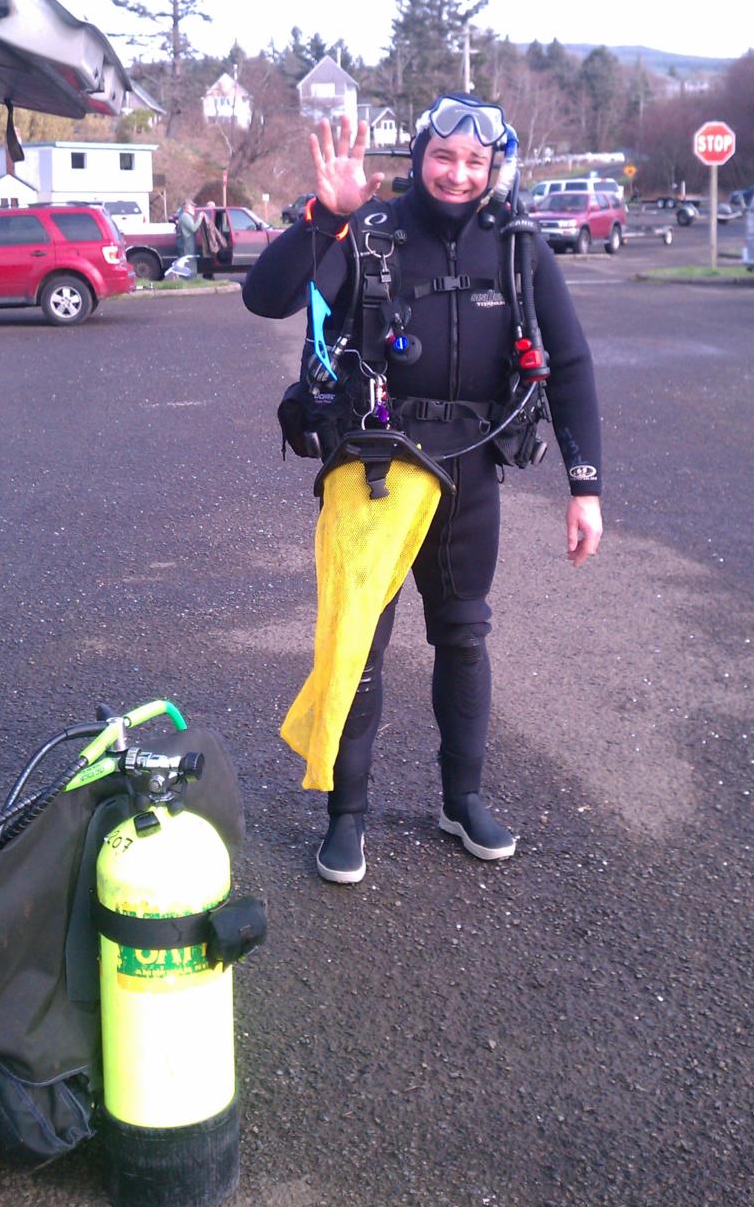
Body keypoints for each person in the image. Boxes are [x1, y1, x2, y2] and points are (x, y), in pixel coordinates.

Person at [243, 97, 603, 884]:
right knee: (359, 640)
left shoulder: (517, 246)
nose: (458, 173)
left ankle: (461, 798)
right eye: (444, 157)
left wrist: (587, 486)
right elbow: (265, 297)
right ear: (419, 156)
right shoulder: (368, 232)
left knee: (465, 635)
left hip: (471, 465)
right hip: (378, 461)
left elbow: (569, 365)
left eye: (476, 162)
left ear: (494, 167)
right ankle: (346, 816)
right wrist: (323, 218)